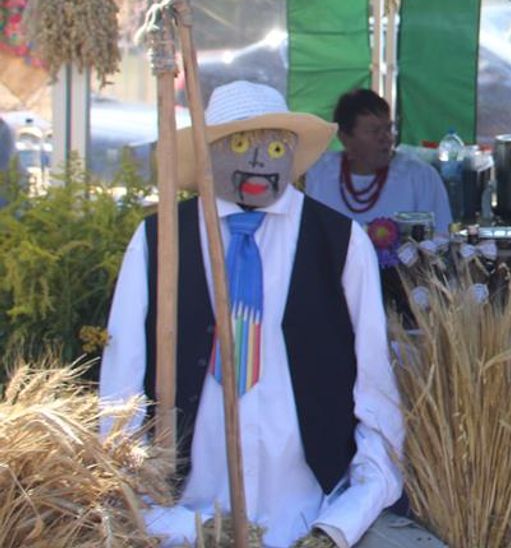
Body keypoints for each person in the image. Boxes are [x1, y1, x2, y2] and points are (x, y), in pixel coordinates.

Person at [101, 81, 404, 547]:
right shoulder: (160, 241)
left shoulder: (341, 242)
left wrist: (342, 521)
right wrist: (165, 521)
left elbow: (377, 396)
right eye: (241, 145)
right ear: (209, 153)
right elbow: (120, 394)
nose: (260, 161)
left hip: (306, 511)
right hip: (187, 517)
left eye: (276, 147)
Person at [304, 89, 454, 252]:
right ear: (345, 137)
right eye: (374, 131)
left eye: (388, 129)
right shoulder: (317, 174)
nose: (386, 138)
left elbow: (442, 242)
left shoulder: (420, 176)